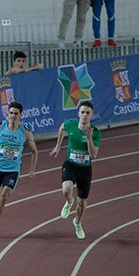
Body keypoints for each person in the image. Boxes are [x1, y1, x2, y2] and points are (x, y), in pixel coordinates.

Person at [0, 101, 38, 238]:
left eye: (15, 114)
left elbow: (34, 151)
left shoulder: (25, 132)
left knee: (4, 197)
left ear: (21, 115)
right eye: (10, 113)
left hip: (13, 170)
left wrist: (32, 170)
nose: (12, 116)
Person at [50, 99, 101, 240]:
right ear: (78, 113)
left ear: (92, 115)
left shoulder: (95, 132)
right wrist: (58, 145)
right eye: (82, 112)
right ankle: (68, 202)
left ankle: (77, 222)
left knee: (82, 202)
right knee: (66, 189)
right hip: (71, 164)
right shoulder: (71, 125)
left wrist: (89, 138)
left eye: (88, 113)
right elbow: (61, 128)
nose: (85, 115)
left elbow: (94, 155)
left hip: (85, 169)